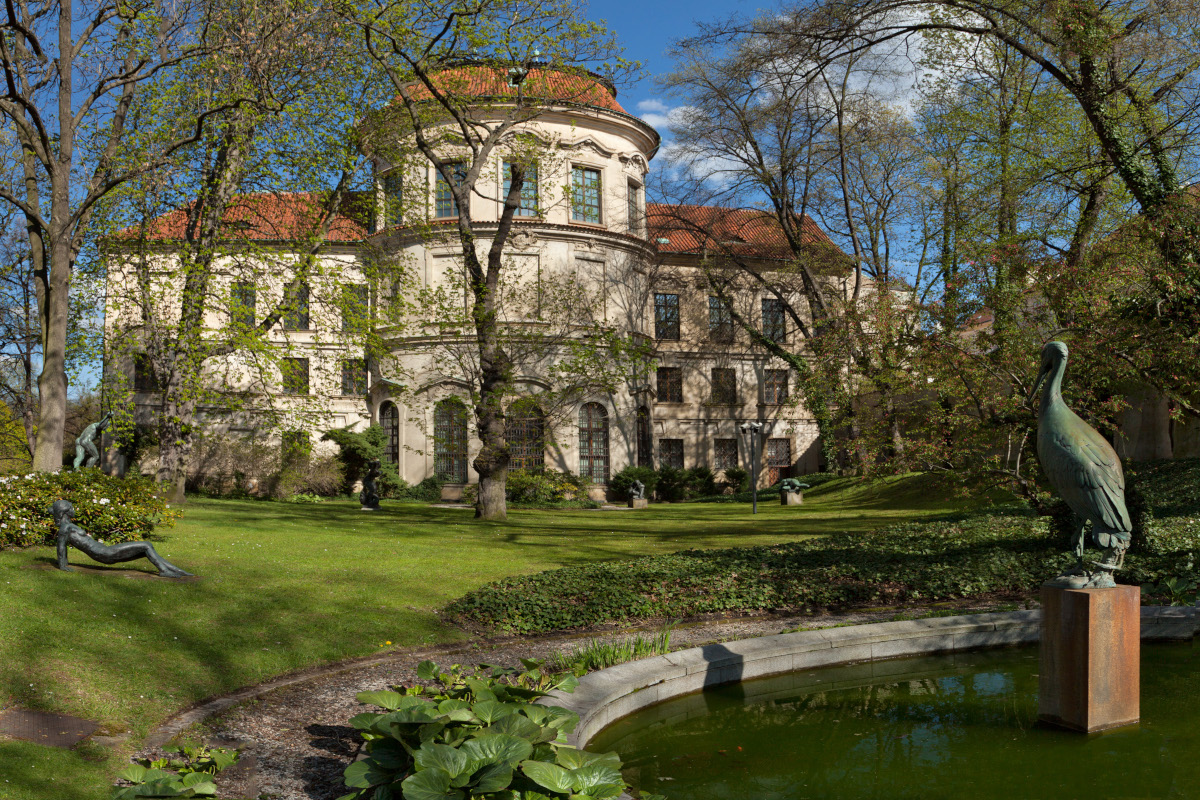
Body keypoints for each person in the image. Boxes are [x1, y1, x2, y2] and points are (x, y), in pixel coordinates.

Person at [53, 500, 193, 578]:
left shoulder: (69, 526)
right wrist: (63, 566)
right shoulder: (65, 529)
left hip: (105, 552)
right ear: (65, 511)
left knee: (146, 547)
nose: (74, 509)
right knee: (146, 545)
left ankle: (177, 571)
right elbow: (61, 547)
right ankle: (164, 571)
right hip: (105, 554)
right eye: (71, 507)